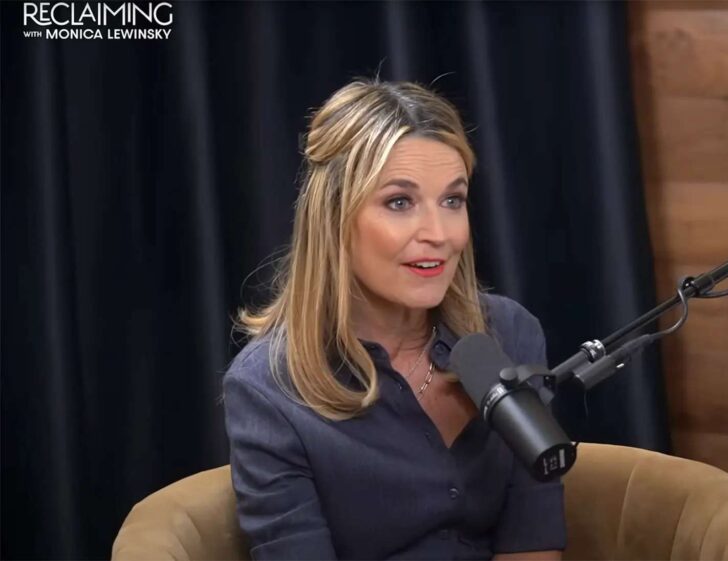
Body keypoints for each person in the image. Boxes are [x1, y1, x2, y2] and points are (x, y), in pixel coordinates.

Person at [222, 79, 566, 560]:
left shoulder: (510, 333)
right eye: (399, 202)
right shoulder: (267, 388)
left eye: (453, 200)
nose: (439, 234)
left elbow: (534, 539)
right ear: (333, 218)